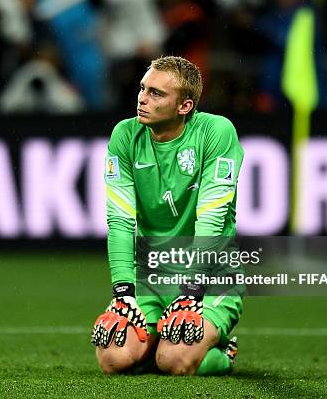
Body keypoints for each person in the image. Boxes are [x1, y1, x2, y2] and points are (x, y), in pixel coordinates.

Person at [91, 56, 244, 376]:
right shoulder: (125, 136)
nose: (142, 98)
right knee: (113, 359)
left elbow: (211, 220)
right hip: (152, 275)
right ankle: (160, 339)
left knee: (173, 361)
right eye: (143, 88)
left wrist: (192, 290)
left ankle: (221, 351)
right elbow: (119, 220)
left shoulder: (216, 132)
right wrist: (123, 292)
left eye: (157, 93)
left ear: (184, 106)